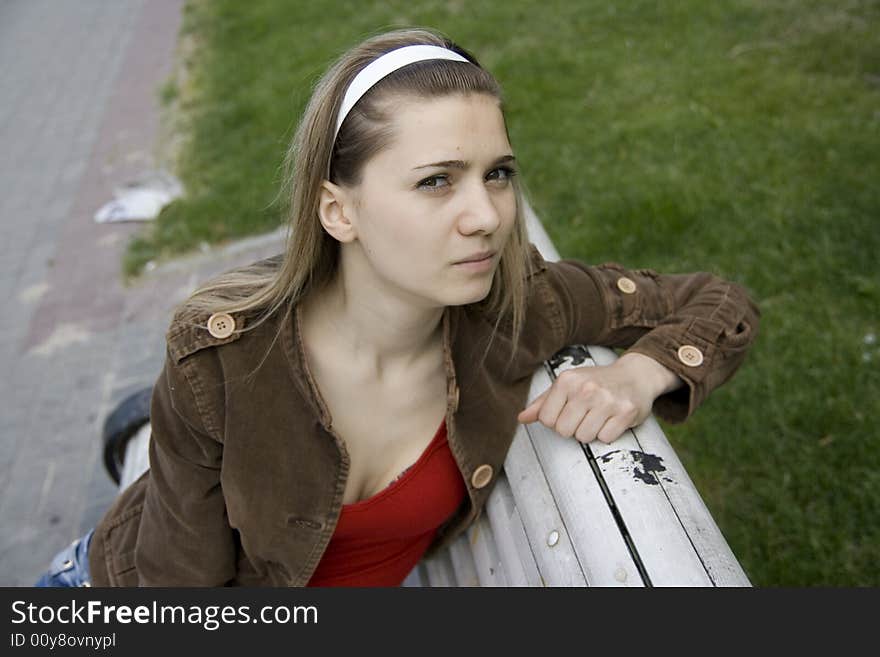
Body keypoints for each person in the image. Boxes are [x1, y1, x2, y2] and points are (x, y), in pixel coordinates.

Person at [35, 27, 759, 588]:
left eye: (497, 173)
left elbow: (716, 302)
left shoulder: (515, 308)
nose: (485, 215)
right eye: (437, 181)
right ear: (338, 211)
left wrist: (641, 374)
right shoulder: (221, 361)